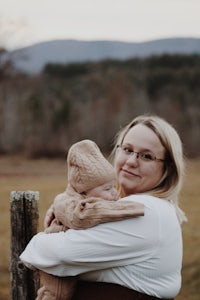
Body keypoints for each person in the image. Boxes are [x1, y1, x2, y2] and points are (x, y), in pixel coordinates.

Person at [20, 114, 187, 300]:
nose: (131, 161)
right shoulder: (124, 207)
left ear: (168, 168)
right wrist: (66, 209)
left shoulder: (145, 212)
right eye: (127, 149)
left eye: (147, 156)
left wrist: (39, 240)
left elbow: (59, 255)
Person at [35, 139, 144, 300]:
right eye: (107, 189)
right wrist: (132, 208)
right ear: (84, 192)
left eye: (114, 186)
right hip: (56, 263)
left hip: (74, 260)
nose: (115, 193)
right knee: (57, 294)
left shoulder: (92, 197)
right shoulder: (69, 203)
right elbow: (84, 216)